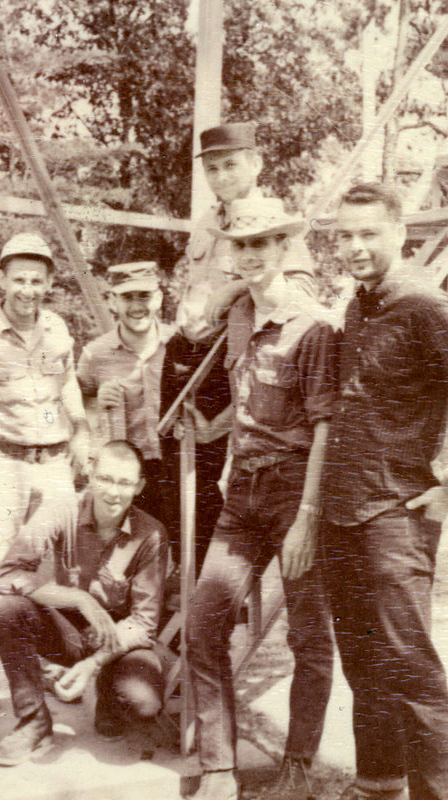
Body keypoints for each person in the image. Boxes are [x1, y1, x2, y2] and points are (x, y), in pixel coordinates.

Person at [321, 183, 448, 800]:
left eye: (369, 233)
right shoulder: (359, 306)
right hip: (341, 514)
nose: (355, 247)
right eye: (345, 235)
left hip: (394, 517)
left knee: (410, 671)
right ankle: (379, 783)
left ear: (400, 234)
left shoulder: (426, 306)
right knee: (363, 662)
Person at [185, 197, 337, 800]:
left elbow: (324, 426)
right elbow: (249, 399)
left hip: (296, 492)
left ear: (283, 248)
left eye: (262, 243)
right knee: (203, 626)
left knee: (308, 637)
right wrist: (216, 435)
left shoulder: (314, 325)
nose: (250, 254)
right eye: (241, 244)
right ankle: (219, 768)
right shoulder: (241, 313)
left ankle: (298, 765)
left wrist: (307, 518)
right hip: (242, 493)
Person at [161, 122, 317, 569]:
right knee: (174, 475)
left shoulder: (272, 219)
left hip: (232, 365)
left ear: (256, 163)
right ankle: (183, 581)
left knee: (217, 480)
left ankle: (220, 585)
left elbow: (301, 292)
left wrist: (236, 289)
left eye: (231, 165)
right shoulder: (208, 223)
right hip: (189, 357)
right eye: (212, 169)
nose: (222, 176)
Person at [0, 231, 90, 720]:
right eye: (19, 280)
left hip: (51, 464)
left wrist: (77, 430)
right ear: (1, 279)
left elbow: (63, 384)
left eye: (37, 281)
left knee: (53, 574)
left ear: (49, 283)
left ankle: (46, 665)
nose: (27, 290)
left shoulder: (56, 328)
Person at [0, 440, 168, 767]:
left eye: (125, 483)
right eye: (106, 479)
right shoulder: (62, 510)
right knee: (7, 611)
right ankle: (33, 720)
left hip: (118, 644)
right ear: (92, 475)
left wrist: (93, 664)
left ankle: (108, 699)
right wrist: (78, 598)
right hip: (68, 632)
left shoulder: (151, 534)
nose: (113, 492)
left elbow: (143, 624)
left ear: (139, 486)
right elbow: (7, 574)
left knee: (143, 702)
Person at [76, 261, 173, 519]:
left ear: (159, 298)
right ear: (113, 301)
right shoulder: (95, 354)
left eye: (144, 296)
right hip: (124, 474)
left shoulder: (179, 344)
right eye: (127, 297)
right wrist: (97, 403)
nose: (137, 306)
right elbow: (76, 408)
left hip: (176, 467)